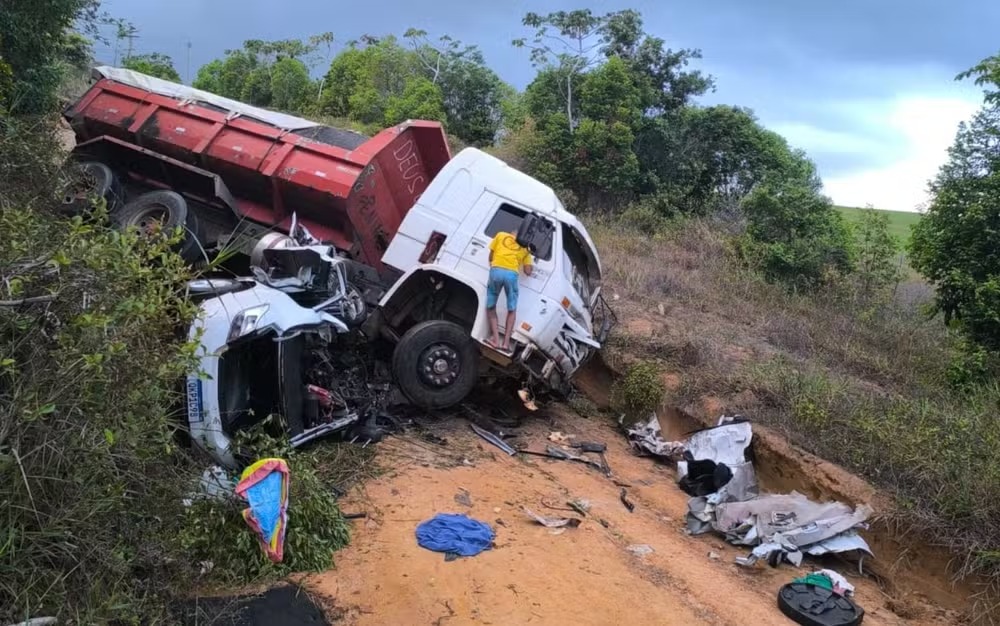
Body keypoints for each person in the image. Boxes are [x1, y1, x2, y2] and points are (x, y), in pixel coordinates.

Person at [486, 230, 533, 352]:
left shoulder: (500, 235)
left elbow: (491, 256)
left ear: (512, 233)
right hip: (511, 275)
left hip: (496, 271)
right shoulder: (526, 247)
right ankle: (506, 344)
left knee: (491, 306)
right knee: (511, 309)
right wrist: (529, 255)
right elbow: (528, 272)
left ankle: (495, 340)